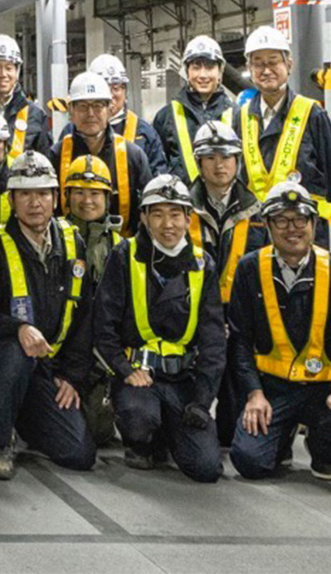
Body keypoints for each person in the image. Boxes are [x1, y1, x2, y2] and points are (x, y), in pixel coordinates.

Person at [0, 151, 98, 479]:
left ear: (55, 197)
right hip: (0, 364)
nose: (34, 202)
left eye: (42, 193)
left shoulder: (73, 245)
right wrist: (18, 328)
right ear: (11, 199)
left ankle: (21, 413)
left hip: (49, 368)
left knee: (78, 453)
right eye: (25, 194)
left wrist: (72, 376)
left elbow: (84, 316)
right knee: (15, 351)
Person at [229, 182, 331, 482]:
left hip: (321, 389)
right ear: (267, 225)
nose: (292, 228)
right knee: (249, 462)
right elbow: (240, 340)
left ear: (314, 224)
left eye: (300, 219)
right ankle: (281, 436)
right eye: (281, 220)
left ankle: (323, 445)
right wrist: (254, 394)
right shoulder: (250, 268)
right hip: (271, 390)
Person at [93, 175, 225, 482]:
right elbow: (104, 325)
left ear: (188, 218)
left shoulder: (203, 264)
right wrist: (125, 370)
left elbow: (214, 340)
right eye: (158, 214)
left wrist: (203, 401)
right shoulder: (124, 256)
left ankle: (169, 431)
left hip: (183, 379)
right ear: (143, 218)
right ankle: (142, 441)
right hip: (138, 376)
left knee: (206, 469)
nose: (168, 224)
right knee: (140, 420)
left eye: (176, 214)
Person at [186, 120, 268, 447]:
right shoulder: (180, 208)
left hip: (240, 317)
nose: (219, 165)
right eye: (210, 158)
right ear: (199, 163)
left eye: (226, 157)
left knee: (231, 429)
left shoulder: (258, 211)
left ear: (238, 161)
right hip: (192, 314)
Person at [236, 26, 331, 223]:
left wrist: (315, 219)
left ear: (289, 64)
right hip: (255, 230)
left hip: (302, 229)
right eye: (258, 64)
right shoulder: (240, 117)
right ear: (249, 69)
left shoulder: (312, 114)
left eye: (273, 62)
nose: (266, 70)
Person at [61, 154, 122, 445]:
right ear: (67, 196)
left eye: (95, 193)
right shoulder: (54, 239)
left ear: (107, 199)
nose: (87, 200)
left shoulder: (121, 247)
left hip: (102, 355)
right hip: (61, 351)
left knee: (98, 432)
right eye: (79, 192)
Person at [55, 70, 152, 235]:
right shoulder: (56, 155)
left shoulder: (133, 156)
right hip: (69, 253)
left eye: (98, 106)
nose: (90, 113)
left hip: (123, 252)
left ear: (109, 109)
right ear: (71, 110)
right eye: (83, 106)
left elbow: (148, 210)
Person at [153, 36, 234, 184]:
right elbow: (159, 168)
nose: (203, 75)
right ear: (187, 71)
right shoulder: (166, 117)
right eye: (196, 67)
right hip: (182, 203)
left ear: (220, 71)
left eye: (209, 67)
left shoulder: (237, 114)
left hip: (226, 201)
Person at [89, 53, 169, 175]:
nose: (111, 95)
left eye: (116, 88)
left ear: (125, 92)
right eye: (104, 88)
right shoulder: (75, 131)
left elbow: (158, 177)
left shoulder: (144, 132)